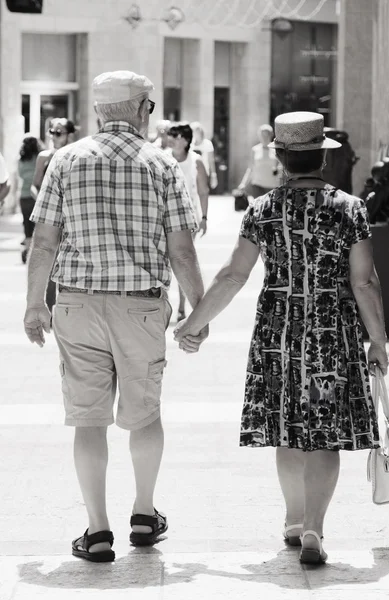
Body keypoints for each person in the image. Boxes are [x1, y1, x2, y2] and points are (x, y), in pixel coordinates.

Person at [174, 111, 388, 566]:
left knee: (287, 428)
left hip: (280, 337)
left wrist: (193, 325)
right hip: (331, 338)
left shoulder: (264, 209)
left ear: (281, 159)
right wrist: (377, 339)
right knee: (324, 433)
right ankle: (314, 528)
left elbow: (233, 275)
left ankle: (292, 520)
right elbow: (365, 282)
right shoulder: (349, 208)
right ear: (323, 158)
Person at [23, 70, 207, 563]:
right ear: (143, 108)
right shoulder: (163, 164)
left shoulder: (66, 159)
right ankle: (144, 515)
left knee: (88, 419)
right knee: (144, 414)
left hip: (77, 302)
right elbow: (183, 251)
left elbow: (43, 242)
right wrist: (197, 310)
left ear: (100, 112)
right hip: (141, 304)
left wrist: (34, 303)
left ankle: (98, 530)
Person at [31, 118, 76, 314]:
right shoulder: (43, 156)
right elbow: (35, 184)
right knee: (48, 258)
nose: (54, 136)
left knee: (69, 263)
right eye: (52, 131)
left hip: (70, 217)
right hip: (49, 216)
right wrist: (42, 201)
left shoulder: (75, 156)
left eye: (59, 132)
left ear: (69, 135)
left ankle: (68, 308)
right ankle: (50, 308)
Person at [168, 122, 209, 322]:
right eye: (171, 135)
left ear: (186, 139)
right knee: (163, 263)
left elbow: (203, 190)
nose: (172, 139)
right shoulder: (163, 158)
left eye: (176, 135)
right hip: (163, 219)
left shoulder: (196, 161)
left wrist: (204, 217)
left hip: (187, 219)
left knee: (182, 261)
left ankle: (183, 306)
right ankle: (163, 306)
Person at [237, 124, 281, 198]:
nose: (264, 138)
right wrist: (243, 183)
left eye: (266, 135)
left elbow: (280, 168)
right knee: (258, 208)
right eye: (262, 135)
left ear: (271, 135)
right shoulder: (255, 150)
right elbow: (250, 168)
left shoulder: (276, 150)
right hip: (257, 185)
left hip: (272, 186)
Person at [17, 136, 41, 263]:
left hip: (24, 196)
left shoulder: (21, 159)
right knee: (38, 224)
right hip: (37, 195)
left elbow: (20, 175)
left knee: (27, 223)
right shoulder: (40, 157)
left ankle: (27, 250)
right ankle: (36, 251)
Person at [190, 121, 218, 190]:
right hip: (191, 173)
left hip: (203, 172)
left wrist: (213, 175)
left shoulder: (207, 144)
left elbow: (211, 160)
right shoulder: (190, 144)